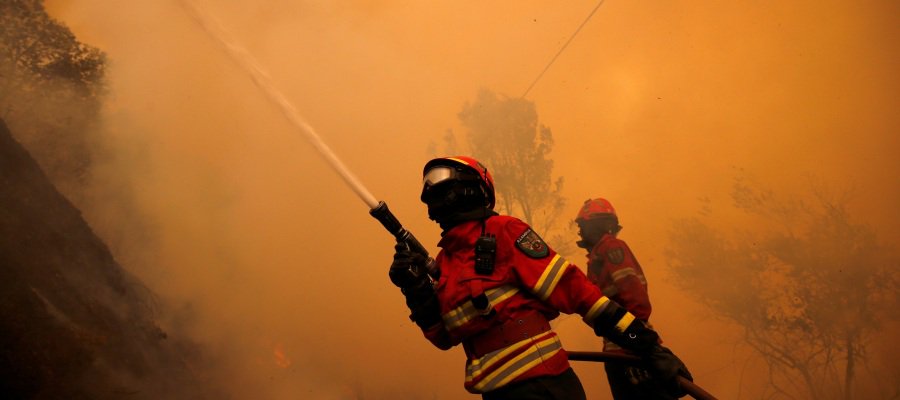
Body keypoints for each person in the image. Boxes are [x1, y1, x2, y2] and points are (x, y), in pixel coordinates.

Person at [388, 156, 692, 399]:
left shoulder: (504, 232)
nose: (436, 194)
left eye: (443, 186)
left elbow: (577, 293)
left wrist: (647, 347)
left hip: (544, 387)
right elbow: (444, 337)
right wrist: (414, 288)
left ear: (472, 189)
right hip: (496, 394)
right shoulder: (447, 263)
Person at [576, 198, 676, 399]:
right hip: (616, 351)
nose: (582, 232)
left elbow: (635, 296)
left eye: (585, 226)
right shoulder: (596, 258)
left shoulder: (612, 248)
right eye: (582, 227)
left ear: (601, 225)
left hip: (632, 349)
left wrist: (635, 341)